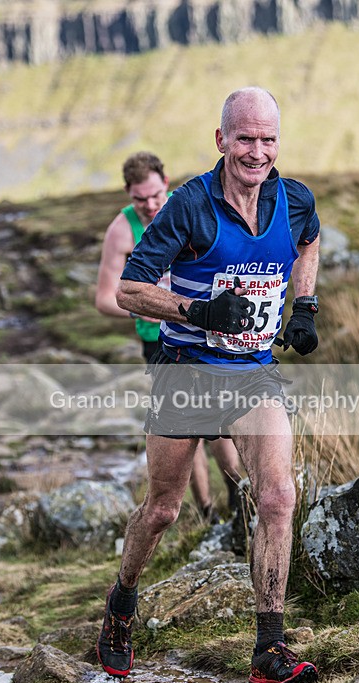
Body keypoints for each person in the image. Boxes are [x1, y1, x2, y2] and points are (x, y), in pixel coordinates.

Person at [97, 88, 320, 683]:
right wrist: (198, 310)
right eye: (245, 138)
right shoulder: (189, 207)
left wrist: (306, 305)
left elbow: (309, 240)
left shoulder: (293, 199)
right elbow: (129, 290)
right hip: (185, 371)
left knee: (276, 496)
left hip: (253, 372)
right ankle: (122, 603)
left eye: (267, 139)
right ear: (221, 140)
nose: (257, 151)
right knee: (164, 508)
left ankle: (269, 648)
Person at [95, 151, 240, 519]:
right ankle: (206, 511)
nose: (149, 205)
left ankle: (239, 498)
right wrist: (148, 305)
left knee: (219, 422)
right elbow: (105, 298)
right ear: (128, 193)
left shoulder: (186, 207)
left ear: (166, 183)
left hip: (203, 331)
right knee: (183, 427)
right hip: (158, 342)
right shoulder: (122, 230)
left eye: (156, 195)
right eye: (139, 199)